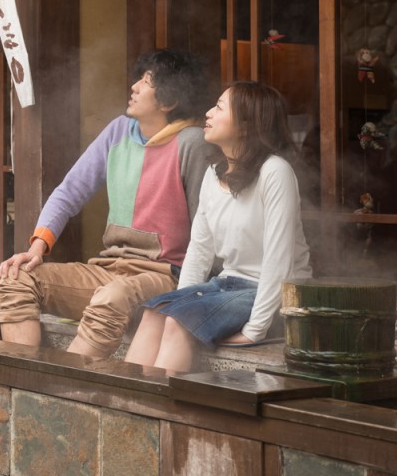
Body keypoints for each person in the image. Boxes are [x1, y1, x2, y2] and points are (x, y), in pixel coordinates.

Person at [0, 48, 214, 360]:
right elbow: (70, 191)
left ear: (169, 100)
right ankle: (24, 380)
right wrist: (37, 246)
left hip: (165, 276)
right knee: (15, 278)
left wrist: (190, 292)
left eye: (146, 82)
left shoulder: (192, 143)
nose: (134, 86)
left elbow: (206, 227)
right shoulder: (118, 131)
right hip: (108, 270)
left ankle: (62, 387)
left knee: (111, 297)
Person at [124, 81, 312, 374]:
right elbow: (200, 248)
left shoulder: (275, 172)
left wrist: (256, 329)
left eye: (220, 107)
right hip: (226, 286)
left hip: (274, 295)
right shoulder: (214, 173)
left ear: (247, 124)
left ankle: (164, 413)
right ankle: (132, 407)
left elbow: (280, 261)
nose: (208, 113)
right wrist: (180, 300)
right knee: (156, 313)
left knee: (178, 322)